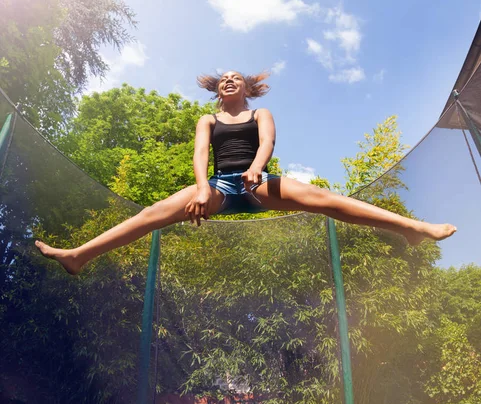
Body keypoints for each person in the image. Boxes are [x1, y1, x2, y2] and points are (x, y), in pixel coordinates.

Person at [35, 70, 456, 275]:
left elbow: (269, 143)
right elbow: (201, 154)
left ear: (248, 90)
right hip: (217, 185)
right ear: (220, 90)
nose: (232, 81)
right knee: (151, 215)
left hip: (259, 182)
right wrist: (202, 189)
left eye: (239, 78)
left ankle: (411, 228)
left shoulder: (261, 113)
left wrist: (257, 168)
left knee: (329, 201)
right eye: (226, 79)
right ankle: (79, 256)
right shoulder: (206, 119)